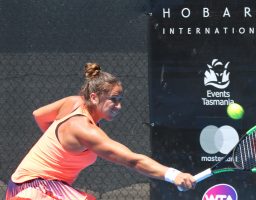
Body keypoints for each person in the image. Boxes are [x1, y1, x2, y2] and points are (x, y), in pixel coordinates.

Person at [6, 63, 195, 200]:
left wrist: (58, 148)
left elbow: (38, 115)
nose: (119, 106)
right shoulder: (85, 130)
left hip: (21, 186)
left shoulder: (73, 103)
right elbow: (132, 160)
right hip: (36, 189)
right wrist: (173, 175)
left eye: (121, 99)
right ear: (95, 97)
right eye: (114, 99)